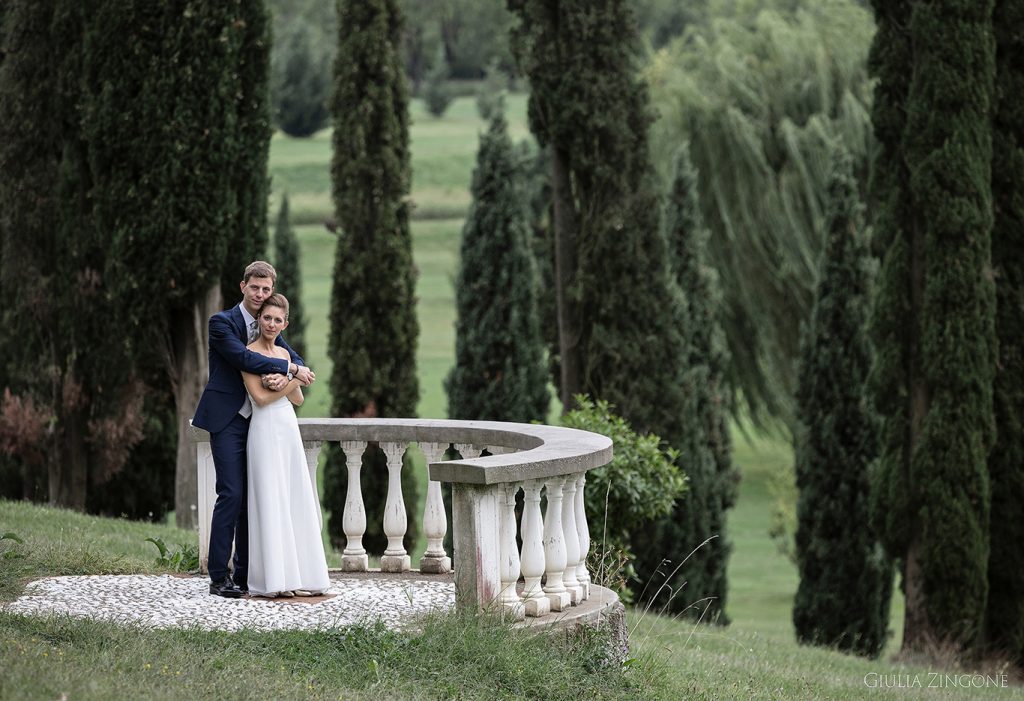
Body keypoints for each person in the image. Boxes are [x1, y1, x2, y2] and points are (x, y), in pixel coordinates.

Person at [193, 261, 315, 598]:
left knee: (255, 496)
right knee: (231, 493)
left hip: (261, 425)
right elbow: (245, 360)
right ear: (243, 286)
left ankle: (246, 574)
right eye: (255, 288)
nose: (260, 295)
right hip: (229, 418)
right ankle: (219, 576)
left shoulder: (269, 324)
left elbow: (296, 359)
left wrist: (292, 370)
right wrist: (288, 369)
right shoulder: (221, 323)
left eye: (266, 289)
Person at [242, 294, 330, 598]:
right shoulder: (248, 354)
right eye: (267, 318)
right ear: (259, 319)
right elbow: (261, 398)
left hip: (287, 429)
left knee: (292, 496)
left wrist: (286, 378)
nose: (271, 324)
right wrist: (292, 379)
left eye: (278, 320)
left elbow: (299, 398)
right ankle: (273, 580)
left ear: (285, 324)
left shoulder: (284, 353)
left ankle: (298, 576)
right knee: (270, 497)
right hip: (264, 429)